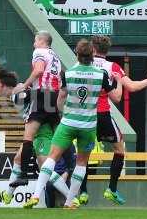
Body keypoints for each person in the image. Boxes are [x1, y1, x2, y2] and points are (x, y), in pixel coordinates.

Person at [24, 39, 122, 209]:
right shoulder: (101, 75)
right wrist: (118, 82)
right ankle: (70, 201)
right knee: (81, 163)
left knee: (52, 158)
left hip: (68, 123)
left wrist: (64, 112)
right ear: (92, 54)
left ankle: (35, 195)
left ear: (77, 53)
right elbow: (116, 98)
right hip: (88, 126)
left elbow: (61, 100)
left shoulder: (68, 74)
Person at [0, 70, 73, 206]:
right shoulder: (17, 94)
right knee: (18, 159)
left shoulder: (19, 93)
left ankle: (71, 198)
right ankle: (8, 195)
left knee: (44, 167)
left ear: (4, 85)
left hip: (42, 132)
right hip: (39, 130)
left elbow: (40, 99)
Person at [92, 35, 147, 205]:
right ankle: (111, 188)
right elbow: (131, 87)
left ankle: (80, 192)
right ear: (106, 50)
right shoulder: (112, 67)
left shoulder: (82, 64)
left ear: (93, 49)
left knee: (81, 154)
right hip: (102, 113)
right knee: (119, 149)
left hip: (82, 114)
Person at [13, 31, 62, 182]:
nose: (34, 44)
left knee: (28, 136)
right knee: (59, 135)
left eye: (35, 41)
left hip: (41, 95)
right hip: (54, 97)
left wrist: (25, 86)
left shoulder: (39, 52)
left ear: (41, 41)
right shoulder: (56, 57)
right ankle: (70, 167)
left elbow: (39, 70)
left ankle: (23, 174)